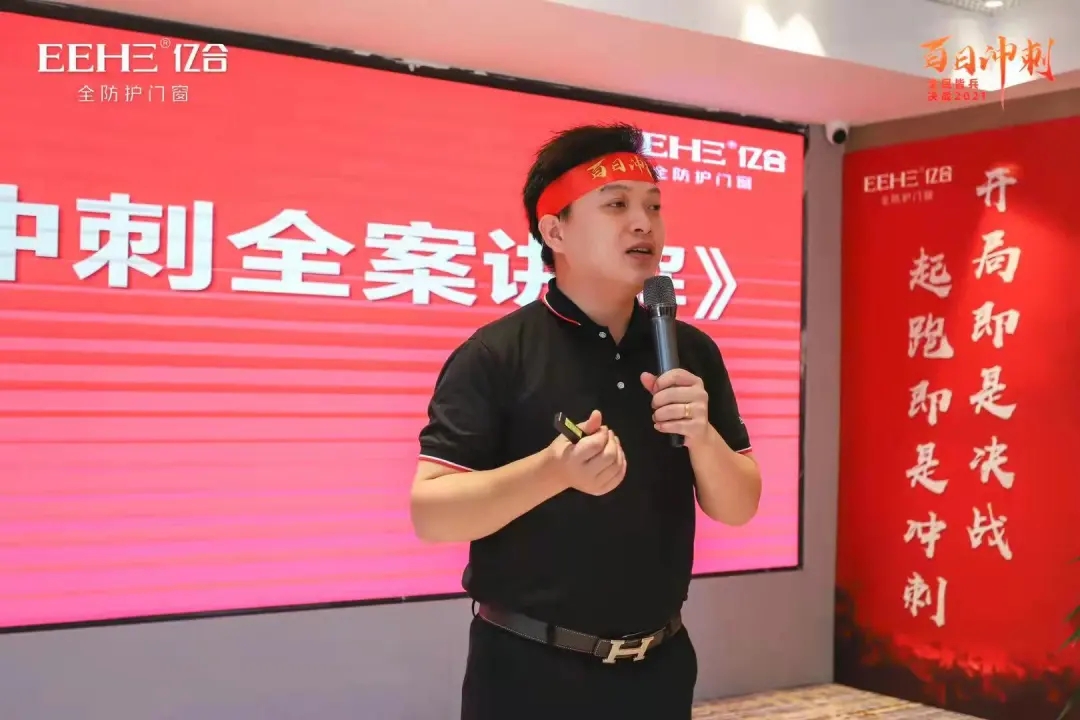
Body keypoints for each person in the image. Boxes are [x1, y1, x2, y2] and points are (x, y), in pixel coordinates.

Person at [409, 123, 762, 720]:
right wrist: (553, 472)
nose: (644, 223)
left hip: (660, 667)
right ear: (555, 231)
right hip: (528, 674)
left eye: (653, 206)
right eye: (616, 205)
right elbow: (431, 512)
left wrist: (702, 436)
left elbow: (739, 505)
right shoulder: (496, 354)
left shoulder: (690, 352)